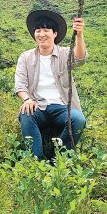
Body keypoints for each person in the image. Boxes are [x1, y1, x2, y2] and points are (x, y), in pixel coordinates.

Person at [14, 9, 87, 158]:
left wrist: (79, 34)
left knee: (78, 119)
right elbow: (20, 85)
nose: (41, 34)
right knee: (25, 114)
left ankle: (60, 160)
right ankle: (36, 161)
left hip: (62, 107)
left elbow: (80, 59)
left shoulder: (64, 54)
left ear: (54, 34)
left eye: (46, 30)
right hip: (38, 107)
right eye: (38, 30)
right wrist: (27, 99)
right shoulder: (26, 57)